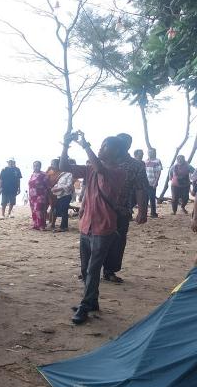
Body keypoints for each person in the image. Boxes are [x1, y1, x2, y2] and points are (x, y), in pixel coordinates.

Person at [60, 132, 125, 324]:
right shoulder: (91, 168)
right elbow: (64, 167)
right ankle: (92, 301)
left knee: (93, 269)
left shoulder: (119, 172)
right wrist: (65, 145)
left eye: (106, 145)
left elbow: (100, 167)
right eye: (102, 144)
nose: (101, 147)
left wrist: (85, 145)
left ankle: (85, 305)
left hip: (103, 227)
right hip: (86, 225)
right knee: (85, 268)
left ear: (117, 152)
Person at [102, 133, 148, 284]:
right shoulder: (102, 161)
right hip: (99, 208)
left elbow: (140, 188)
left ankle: (109, 271)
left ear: (128, 146)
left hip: (121, 209)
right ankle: (89, 270)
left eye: (125, 143)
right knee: (93, 239)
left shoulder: (136, 165)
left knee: (117, 241)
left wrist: (142, 211)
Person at [50, 162, 75, 232]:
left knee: (64, 211)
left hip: (66, 194)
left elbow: (69, 185)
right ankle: (63, 226)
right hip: (59, 195)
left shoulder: (70, 174)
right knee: (59, 210)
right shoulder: (62, 173)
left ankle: (63, 227)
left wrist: (59, 189)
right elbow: (58, 184)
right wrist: (54, 188)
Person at [28, 161, 50, 230]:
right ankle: (36, 224)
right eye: (34, 165)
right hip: (32, 196)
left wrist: (47, 195)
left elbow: (47, 185)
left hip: (40, 195)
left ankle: (41, 225)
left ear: (40, 166)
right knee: (34, 210)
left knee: (39, 210)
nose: (35, 167)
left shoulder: (43, 174)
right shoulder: (33, 174)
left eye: (37, 165)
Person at [145, 148, 163, 217]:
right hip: (145, 182)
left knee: (152, 198)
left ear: (154, 153)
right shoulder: (146, 161)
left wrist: (156, 182)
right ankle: (145, 213)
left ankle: (153, 213)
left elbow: (159, 172)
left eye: (151, 152)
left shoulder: (157, 161)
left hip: (152, 182)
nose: (149, 153)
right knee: (145, 199)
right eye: (149, 152)